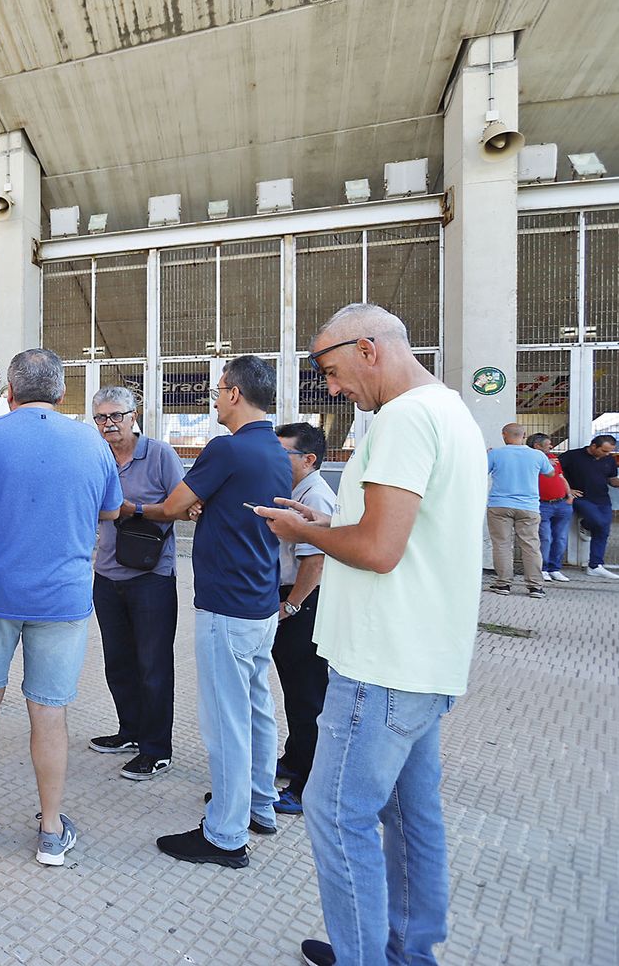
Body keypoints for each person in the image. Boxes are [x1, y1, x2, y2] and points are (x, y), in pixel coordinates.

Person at [256, 304, 487, 966]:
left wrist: (302, 532)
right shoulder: (448, 410)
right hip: (424, 659)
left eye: (332, 371)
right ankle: (409, 953)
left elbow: (379, 550)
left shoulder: (403, 419)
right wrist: (320, 524)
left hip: (380, 664)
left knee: (337, 814)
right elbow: (401, 531)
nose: (333, 388)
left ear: (369, 349)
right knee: (411, 817)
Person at [0, 349, 120, 867]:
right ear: (62, 393)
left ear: (9, 392)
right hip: (63, 598)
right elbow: (111, 509)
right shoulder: (91, 442)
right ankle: (51, 830)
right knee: (50, 712)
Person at [139, 354, 292, 868]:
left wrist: (134, 509)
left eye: (217, 390)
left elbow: (170, 506)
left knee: (226, 721)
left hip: (227, 602)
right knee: (256, 706)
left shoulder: (227, 448)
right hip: (259, 600)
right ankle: (260, 803)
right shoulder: (274, 449)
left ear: (234, 393)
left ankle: (225, 834)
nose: (214, 401)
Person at [87, 385, 185, 781]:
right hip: (107, 574)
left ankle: (157, 749)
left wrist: (136, 510)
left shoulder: (160, 454)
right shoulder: (97, 456)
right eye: (101, 417)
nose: (109, 423)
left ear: (134, 416)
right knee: (118, 662)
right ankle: (130, 731)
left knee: (153, 665)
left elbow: (183, 507)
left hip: (151, 577)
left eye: (116, 415)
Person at [268, 422, 337, 816]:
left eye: (284, 454)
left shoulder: (317, 497)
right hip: (292, 599)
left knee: (308, 695)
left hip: (303, 602)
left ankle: (307, 784)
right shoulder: (295, 490)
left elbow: (315, 561)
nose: (276, 459)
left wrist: (291, 606)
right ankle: (295, 758)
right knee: (295, 692)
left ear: (308, 459)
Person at [485, 422, 552, 598]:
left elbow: (480, 471)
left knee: (502, 545)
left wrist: (486, 455)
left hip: (499, 505)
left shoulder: (495, 454)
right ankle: (535, 587)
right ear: (524, 435)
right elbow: (550, 473)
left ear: (504, 435)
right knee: (531, 546)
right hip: (529, 507)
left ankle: (503, 584)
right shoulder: (537, 455)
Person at [558, 434, 619, 580]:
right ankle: (585, 524)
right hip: (580, 497)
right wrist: (568, 490)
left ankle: (595, 566)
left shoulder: (609, 460)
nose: (607, 454)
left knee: (603, 530)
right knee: (599, 522)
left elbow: (612, 478)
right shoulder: (572, 456)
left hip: (602, 498)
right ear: (593, 446)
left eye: (609, 451)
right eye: (604, 451)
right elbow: (555, 473)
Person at [528, 433, 574, 582]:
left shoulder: (553, 458)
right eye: (548, 444)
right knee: (545, 538)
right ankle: (543, 568)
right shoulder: (529, 459)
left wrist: (569, 495)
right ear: (537, 446)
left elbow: (560, 477)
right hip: (542, 504)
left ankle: (555, 568)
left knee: (560, 538)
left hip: (562, 503)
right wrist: (545, 465)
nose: (551, 446)